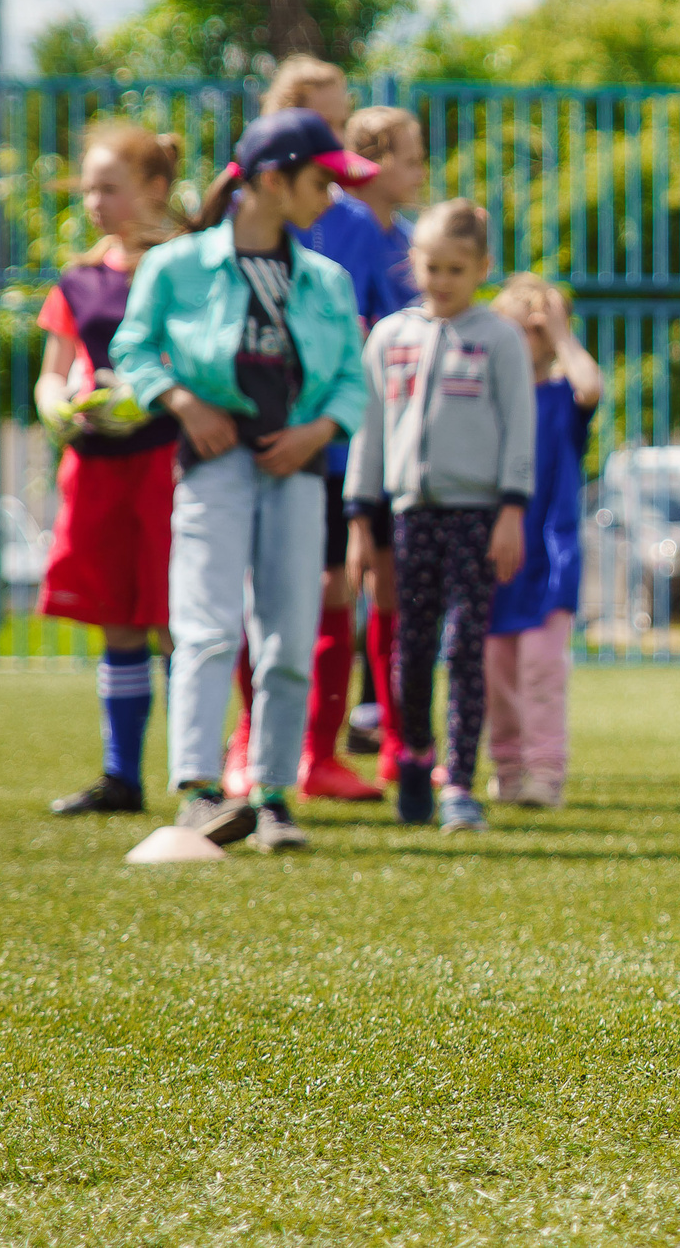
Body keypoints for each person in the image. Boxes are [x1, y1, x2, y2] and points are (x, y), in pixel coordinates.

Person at [111, 110, 376, 851]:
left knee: (290, 634)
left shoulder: (325, 278)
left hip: (297, 471)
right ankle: (198, 791)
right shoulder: (177, 265)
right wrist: (183, 402)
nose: (331, 196)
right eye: (321, 180)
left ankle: (272, 794)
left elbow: (351, 380)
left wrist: (317, 433)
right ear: (272, 180)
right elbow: (133, 348)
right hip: (214, 468)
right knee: (206, 625)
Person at [213, 56, 384, 803]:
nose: (340, 138)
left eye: (343, 121)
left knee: (332, 589)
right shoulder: (232, 222)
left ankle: (317, 752)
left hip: (328, 443)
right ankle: (247, 744)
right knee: (248, 596)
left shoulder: (356, 224)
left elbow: (378, 323)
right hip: (248, 444)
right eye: (328, 122)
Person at [344, 201, 532, 834]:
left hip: (477, 515)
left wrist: (512, 509)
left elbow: (520, 429)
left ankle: (460, 784)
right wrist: (361, 520)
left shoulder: (499, 338)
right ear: (413, 265)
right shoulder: (389, 338)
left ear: (482, 267)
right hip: (409, 515)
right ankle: (416, 757)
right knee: (411, 647)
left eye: (457, 268)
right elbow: (370, 432)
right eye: (432, 267)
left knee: (465, 647)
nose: (443, 280)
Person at [37, 121, 186, 816]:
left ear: (154, 188)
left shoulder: (184, 269)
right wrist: (60, 406)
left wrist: (143, 395)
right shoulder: (78, 279)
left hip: (166, 464)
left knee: (175, 617)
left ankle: (195, 773)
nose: (96, 202)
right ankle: (121, 776)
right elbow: (55, 370)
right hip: (97, 467)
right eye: (90, 189)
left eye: (110, 188)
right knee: (118, 620)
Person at [308, 107, 427, 783]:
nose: (421, 172)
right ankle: (312, 742)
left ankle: (389, 731)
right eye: (411, 159)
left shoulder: (410, 241)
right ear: (372, 163)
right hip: (333, 443)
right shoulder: (333, 230)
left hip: (395, 441)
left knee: (393, 588)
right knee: (329, 586)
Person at [480, 273, 602, 809]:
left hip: (550, 557)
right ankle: (506, 768)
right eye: (516, 328)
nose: (524, 340)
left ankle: (545, 772)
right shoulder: (488, 399)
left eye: (535, 330)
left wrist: (559, 333)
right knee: (496, 671)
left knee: (541, 669)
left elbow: (590, 387)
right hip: (495, 554)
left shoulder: (561, 398)